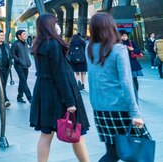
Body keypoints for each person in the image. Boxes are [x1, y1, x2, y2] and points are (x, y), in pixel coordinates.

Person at [86, 12, 151, 162]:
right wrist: (135, 112)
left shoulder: (88, 48)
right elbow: (127, 82)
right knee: (142, 149)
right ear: (111, 27)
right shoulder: (119, 49)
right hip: (121, 108)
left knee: (112, 153)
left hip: (100, 108)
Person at [29, 13, 89, 162]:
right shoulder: (53, 44)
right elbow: (60, 75)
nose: (58, 26)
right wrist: (70, 102)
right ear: (50, 25)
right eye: (56, 22)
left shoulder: (39, 43)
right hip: (59, 95)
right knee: (77, 131)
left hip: (44, 93)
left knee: (46, 133)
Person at [118, 30, 143, 100]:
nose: (124, 37)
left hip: (132, 63)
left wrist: (132, 49)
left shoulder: (131, 42)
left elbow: (138, 51)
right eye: (122, 36)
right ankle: (128, 94)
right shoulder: (118, 44)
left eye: (125, 35)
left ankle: (136, 94)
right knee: (124, 80)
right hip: (123, 63)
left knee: (134, 79)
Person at [11, 29, 32, 103]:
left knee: (22, 81)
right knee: (23, 81)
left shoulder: (25, 44)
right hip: (19, 66)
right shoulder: (15, 44)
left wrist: (28, 62)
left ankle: (19, 97)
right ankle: (30, 98)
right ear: (19, 36)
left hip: (26, 66)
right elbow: (12, 54)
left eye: (25, 34)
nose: (25, 35)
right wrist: (19, 60)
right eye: (23, 34)